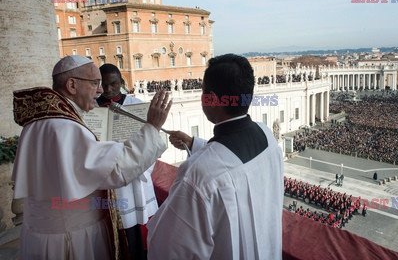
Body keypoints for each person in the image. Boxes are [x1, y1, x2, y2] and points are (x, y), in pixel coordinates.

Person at [12, 55, 172, 259]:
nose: (100, 90)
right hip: (72, 236)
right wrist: (152, 128)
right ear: (72, 85)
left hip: (43, 231)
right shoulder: (66, 127)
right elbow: (115, 169)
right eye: (95, 83)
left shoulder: (39, 122)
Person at [147, 54, 284, 259]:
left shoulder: (198, 173)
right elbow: (233, 163)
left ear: (210, 98)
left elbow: (168, 248)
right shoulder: (267, 137)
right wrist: (195, 144)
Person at [97, 63, 157, 260]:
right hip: (107, 176)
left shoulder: (135, 104)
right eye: (103, 85)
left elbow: (150, 140)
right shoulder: (92, 109)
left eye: (113, 84)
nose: (108, 89)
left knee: (139, 233)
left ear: (122, 82)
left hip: (135, 177)